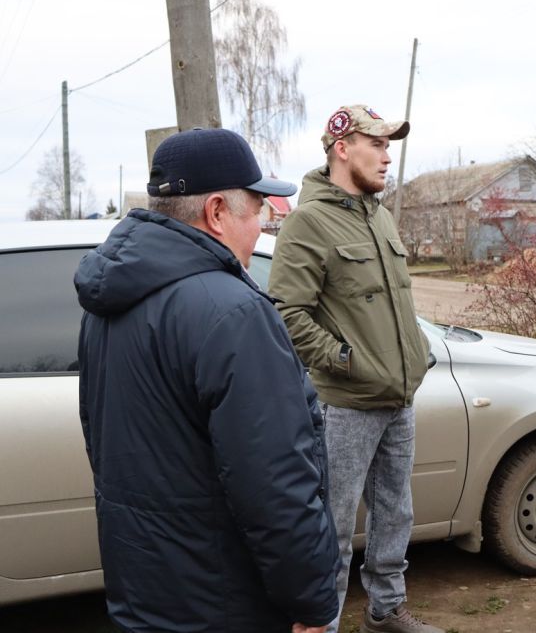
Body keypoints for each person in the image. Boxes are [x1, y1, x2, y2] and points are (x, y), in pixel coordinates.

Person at [74, 128, 339, 633]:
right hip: (224, 601)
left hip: (145, 592)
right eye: (257, 210)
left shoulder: (106, 306)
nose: (261, 226)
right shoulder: (234, 313)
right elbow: (275, 483)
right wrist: (311, 600)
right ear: (217, 212)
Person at [269, 105, 438, 633]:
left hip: (397, 397)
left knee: (396, 514)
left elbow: (388, 303)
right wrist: (342, 360)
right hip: (344, 405)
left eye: (390, 146)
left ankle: (387, 611)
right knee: (334, 527)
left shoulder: (378, 214)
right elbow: (284, 311)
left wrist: (417, 352)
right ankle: (326, 622)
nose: (389, 156)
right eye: (379, 145)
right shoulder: (308, 221)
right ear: (343, 148)